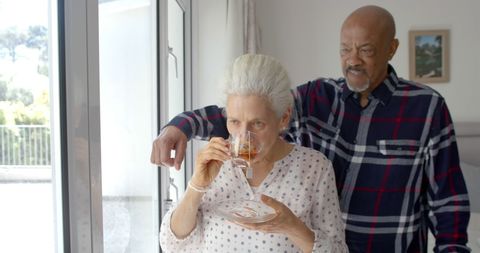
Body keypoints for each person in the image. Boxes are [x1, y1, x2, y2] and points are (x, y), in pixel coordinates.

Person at [152, 5, 471, 253]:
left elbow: (448, 203)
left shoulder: (426, 108)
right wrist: (181, 127)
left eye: (366, 50)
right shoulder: (318, 96)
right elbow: (249, 113)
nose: (353, 60)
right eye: (345, 49)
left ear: (391, 48)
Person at [159, 54, 348, 252]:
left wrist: (293, 227)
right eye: (234, 122)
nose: (244, 136)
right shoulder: (214, 162)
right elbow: (172, 243)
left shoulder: (315, 168)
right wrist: (197, 185)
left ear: (283, 118)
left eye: (257, 123)